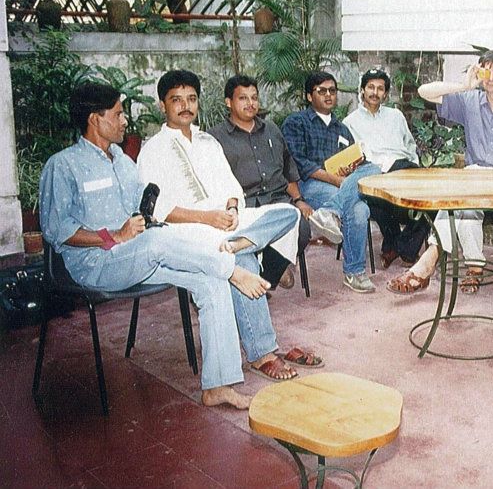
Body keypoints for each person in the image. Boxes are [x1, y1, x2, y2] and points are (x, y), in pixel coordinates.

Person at [39, 82, 265, 409]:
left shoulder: (122, 161)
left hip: (138, 255)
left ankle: (218, 386)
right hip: (95, 265)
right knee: (161, 242)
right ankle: (232, 270)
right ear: (95, 119)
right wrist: (112, 236)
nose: (124, 121)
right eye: (117, 114)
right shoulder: (63, 165)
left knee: (209, 282)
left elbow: (145, 208)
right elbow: (56, 230)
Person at [138, 70, 322, 381]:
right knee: (244, 260)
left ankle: (239, 242)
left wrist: (233, 208)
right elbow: (156, 210)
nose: (185, 106)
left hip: (226, 223)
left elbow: (231, 187)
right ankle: (263, 352)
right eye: (176, 100)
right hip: (188, 230)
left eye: (191, 99)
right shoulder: (152, 150)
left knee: (289, 215)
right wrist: (207, 218)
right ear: (162, 105)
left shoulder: (208, 141)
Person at [385, 50, 493, 295]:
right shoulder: (469, 101)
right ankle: (473, 266)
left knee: (463, 195)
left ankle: (430, 262)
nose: (491, 77)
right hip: (477, 178)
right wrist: (463, 85)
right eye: (485, 70)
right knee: (462, 200)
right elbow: (424, 92)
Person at [209, 75, 312, 291]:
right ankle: (271, 266)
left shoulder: (272, 129)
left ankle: (266, 276)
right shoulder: (215, 138)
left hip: (278, 201)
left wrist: (299, 200)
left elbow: (287, 168)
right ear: (228, 102)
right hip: (244, 206)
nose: (251, 103)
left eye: (254, 97)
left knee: (302, 228)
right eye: (243, 98)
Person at [282, 71, 381, 293]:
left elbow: (355, 163)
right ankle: (354, 272)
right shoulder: (296, 122)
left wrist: (349, 171)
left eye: (332, 91)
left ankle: (330, 212)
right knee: (359, 207)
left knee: (372, 172)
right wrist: (336, 179)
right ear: (309, 96)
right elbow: (299, 162)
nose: (328, 95)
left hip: (340, 186)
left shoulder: (342, 129)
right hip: (311, 184)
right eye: (322, 91)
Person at [343, 67, 430, 268]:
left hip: (404, 169)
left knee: (431, 201)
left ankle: (397, 247)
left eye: (380, 88)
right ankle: (402, 249)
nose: (375, 92)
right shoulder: (349, 123)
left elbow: (410, 146)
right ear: (362, 90)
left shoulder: (396, 116)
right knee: (377, 203)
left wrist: (414, 166)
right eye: (370, 87)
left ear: (385, 93)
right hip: (374, 174)